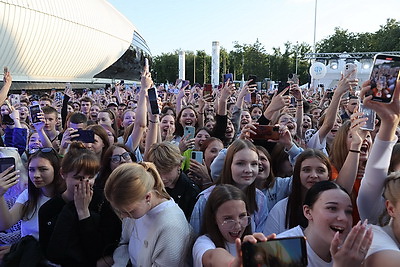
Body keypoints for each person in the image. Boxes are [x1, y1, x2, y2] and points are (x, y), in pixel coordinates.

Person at [39, 142, 121, 266]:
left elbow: (101, 250)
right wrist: (71, 210)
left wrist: (84, 213)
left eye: (91, 177)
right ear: (63, 174)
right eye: (78, 178)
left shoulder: (104, 201)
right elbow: (52, 253)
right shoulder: (49, 209)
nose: (86, 183)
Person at [104, 162, 194, 266]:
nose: (123, 216)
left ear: (147, 197)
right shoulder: (136, 206)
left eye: (128, 211)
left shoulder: (171, 227)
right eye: (119, 211)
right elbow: (124, 244)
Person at [277, 180, 373, 267]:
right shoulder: (284, 249)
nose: (343, 218)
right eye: (332, 208)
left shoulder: (350, 253)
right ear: (308, 212)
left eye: (348, 211)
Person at [190, 139, 268, 236]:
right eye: (240, 163)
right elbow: (196, 237)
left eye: (254, 164)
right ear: (229, 165)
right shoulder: (206, 198)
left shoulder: (260, 199)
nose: (248, 170)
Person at [0, 148, 65, 261]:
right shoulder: (27, 195)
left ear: (57, 171)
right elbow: (6, 223)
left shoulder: (66, 196)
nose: (36, 175)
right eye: (31, 170)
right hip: (29, 255)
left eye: (43, 169)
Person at [265, 149, 331, 235]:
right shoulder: (281, 209)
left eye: (320, 170)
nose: (313, 175)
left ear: (328, 175)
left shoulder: (336, 208)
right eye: (307, 170)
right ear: (297, 173)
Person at [192, 184, 257, 267]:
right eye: (228, 219)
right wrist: (233, 264)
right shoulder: (203, 243)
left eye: (242, 216)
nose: (237, 226)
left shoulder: (252, 241)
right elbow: (212, 257)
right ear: (214, 219)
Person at [147, 142, 200, 220]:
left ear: (179, 165)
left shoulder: (192, 192)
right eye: (158, 172)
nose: (162, 178)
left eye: (167, 171)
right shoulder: (150, 186)